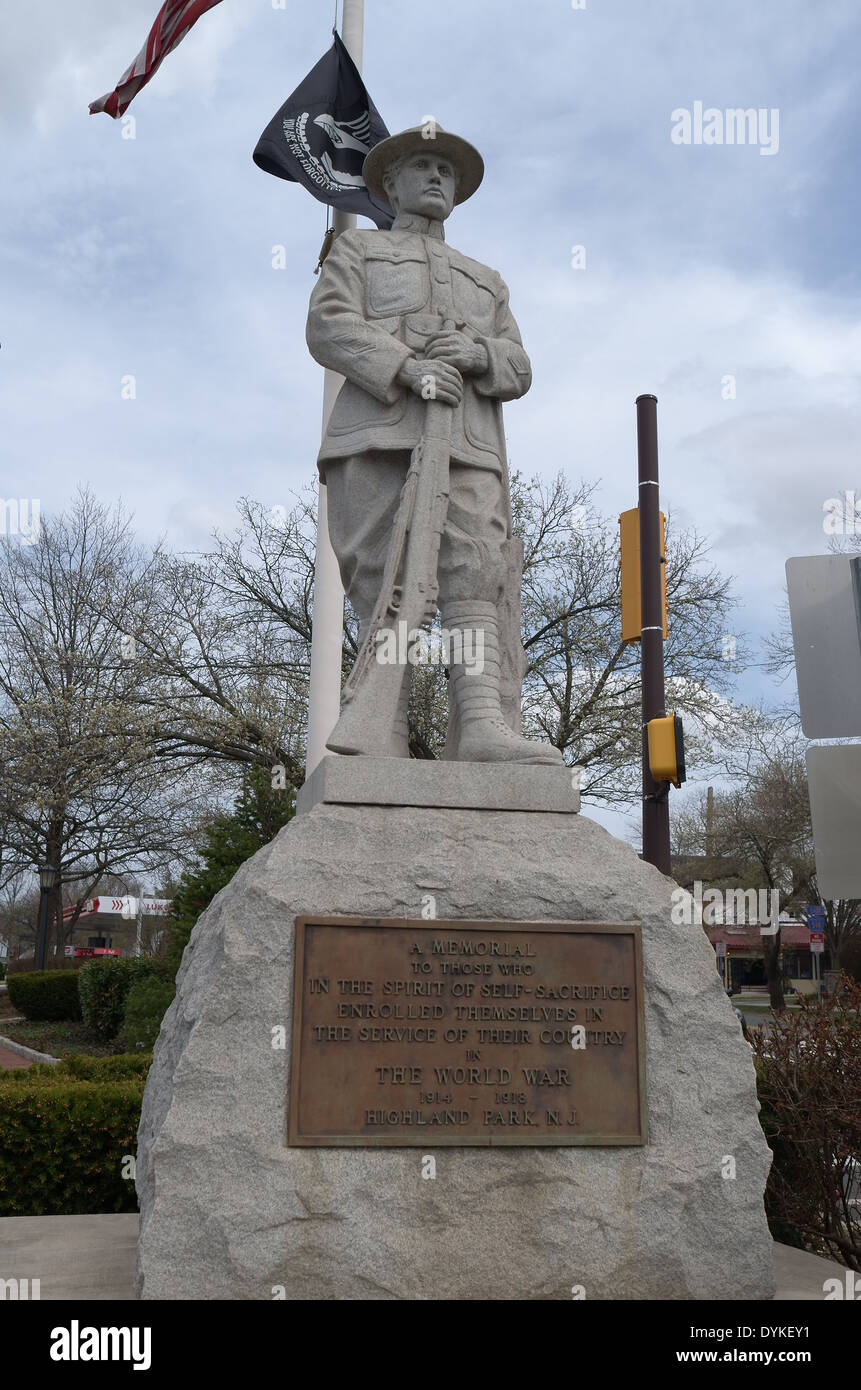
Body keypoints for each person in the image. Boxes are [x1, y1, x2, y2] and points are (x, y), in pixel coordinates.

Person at [306, 124, 561, 765]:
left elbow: (521, 366)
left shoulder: (487, 280)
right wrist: (403, 366)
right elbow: (328, 326)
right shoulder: (356, 251)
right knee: (383, 581)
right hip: (376, 438)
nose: (436, 178)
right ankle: (381, 728)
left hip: (469, 446)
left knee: (475, 574)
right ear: (389, 183)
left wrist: (479, 353)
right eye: (422, 166)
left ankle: (480, 725)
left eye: (445, 171)